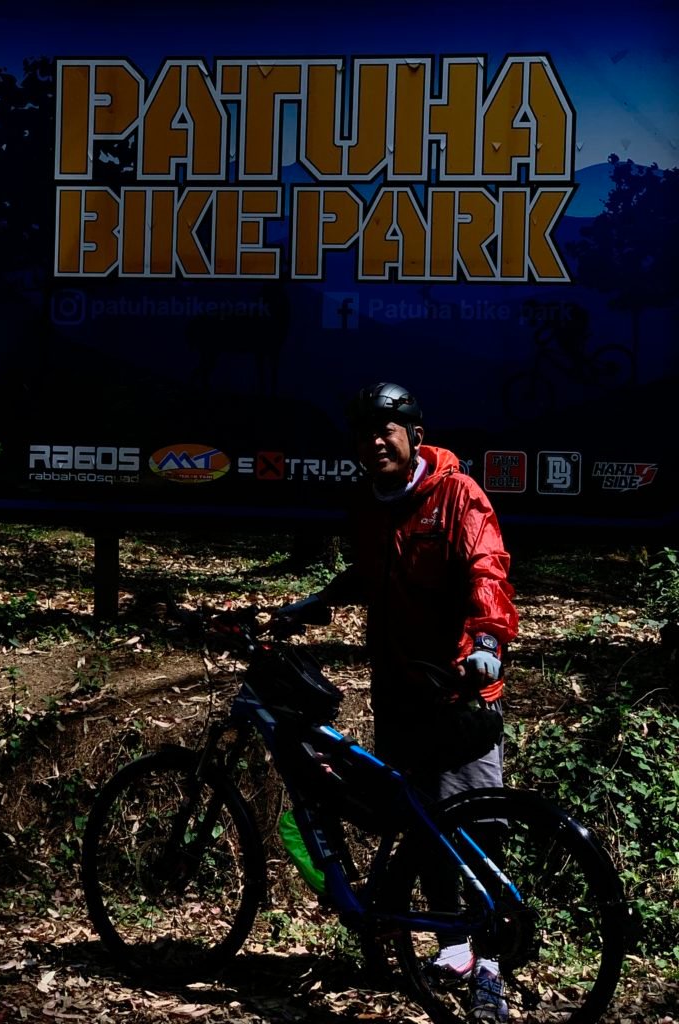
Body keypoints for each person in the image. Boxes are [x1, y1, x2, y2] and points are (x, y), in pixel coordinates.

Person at [278, 381, 519, 1022]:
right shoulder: (369, 503)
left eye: (388, 429)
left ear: (414, 435)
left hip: (460, 690)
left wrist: (488, 639)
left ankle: (492, 964)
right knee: (420, 824)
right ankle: (453, 948)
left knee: (475, 824)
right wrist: (316, 604)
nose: (376, 441)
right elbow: (369, 571)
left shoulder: (457, 494)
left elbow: (488, 569)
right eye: (365, 433)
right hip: (398, 692)